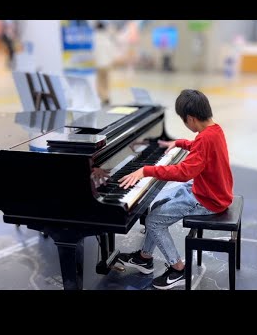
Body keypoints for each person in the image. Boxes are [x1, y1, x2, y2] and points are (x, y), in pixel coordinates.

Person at [116, 89, 234, 290]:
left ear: (190, 118)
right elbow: (198, 147)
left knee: (154, 220)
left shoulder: (204, 139)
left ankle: (178, 269)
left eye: (184, 121)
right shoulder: (214, 130)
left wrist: (147, 170)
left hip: (209, 200)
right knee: (158, 205)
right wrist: (178, 143)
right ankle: (145, 258)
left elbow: (184, 172)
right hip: (210, 189)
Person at [94, 21, 117, 105]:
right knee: (106, 81)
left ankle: (102, 97)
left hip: (99, 64)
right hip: (107, 64)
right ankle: (106, 96)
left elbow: (93, 53)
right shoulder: (107, 38)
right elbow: (111, 52)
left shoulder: (94, 39)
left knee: (99, 82)